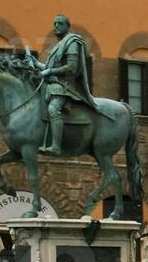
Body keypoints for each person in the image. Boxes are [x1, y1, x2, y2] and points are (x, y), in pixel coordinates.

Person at [27, 14, 97, 156]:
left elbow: (71, 67)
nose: (56, 26)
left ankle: (56, 146)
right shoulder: (59, 45)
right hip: (53, 85)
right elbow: (49, 66)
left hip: (65, 86)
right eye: (54, 23)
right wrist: (37, 64)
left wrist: (49, 71)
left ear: (67, 26)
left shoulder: (72, 42)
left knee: (53, 109)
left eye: (60, 23)